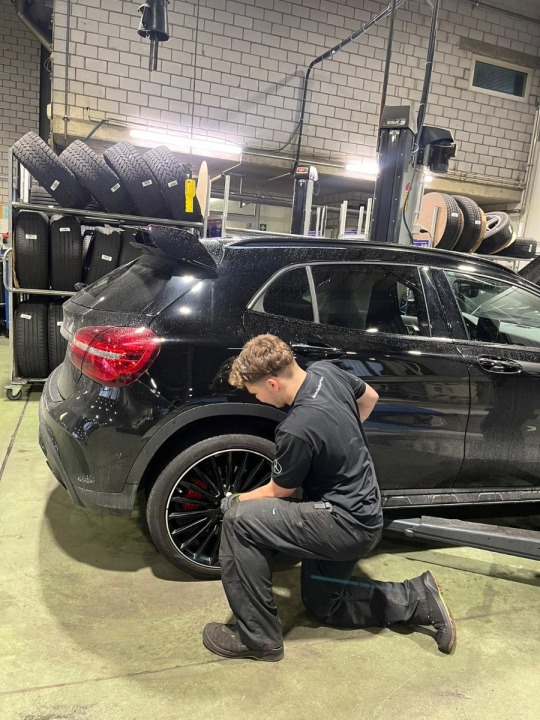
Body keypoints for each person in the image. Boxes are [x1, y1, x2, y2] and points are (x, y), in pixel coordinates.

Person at [202, 334, 456, 662]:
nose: (259, 399)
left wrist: (237, 499)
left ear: (273, 383)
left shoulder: (296, 428)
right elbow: (370, 397)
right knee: (324, 606)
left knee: (239, 520)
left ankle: (259, 639)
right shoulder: (326, 372)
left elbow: (279, 491)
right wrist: (339, 438)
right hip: (366, 512)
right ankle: (418, 597)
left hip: (342, 524)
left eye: (256, 392)